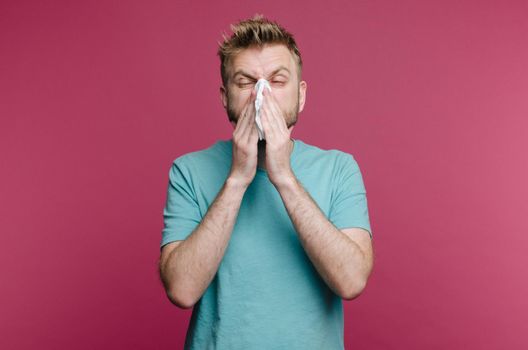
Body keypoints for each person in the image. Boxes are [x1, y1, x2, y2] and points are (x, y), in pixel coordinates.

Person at [158, 14, 374, 350]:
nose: (262, 96)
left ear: (300, 95)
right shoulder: (188, 171)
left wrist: (283, 177)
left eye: (277, 80)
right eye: (246, 82)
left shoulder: (339, 169)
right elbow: (182, 290)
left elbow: (351, 281)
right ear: (224, 96)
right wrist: (237, 178)